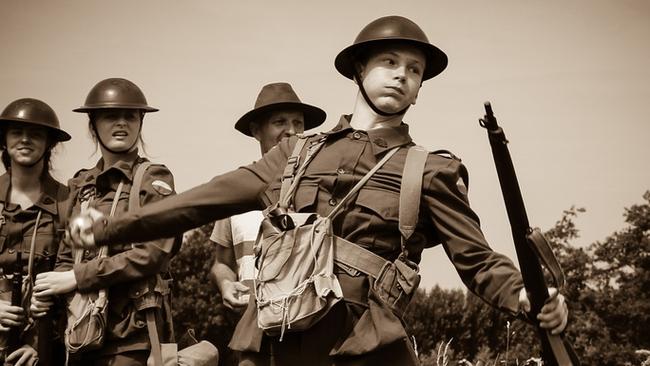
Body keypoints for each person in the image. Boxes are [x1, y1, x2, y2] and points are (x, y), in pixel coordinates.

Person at [67, 16, 569, 366]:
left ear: (420, 88)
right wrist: (111, 226)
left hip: (365, 348)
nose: (402, 75)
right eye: (390, 62)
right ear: (359, 70)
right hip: (271, 344)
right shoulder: (296, 152)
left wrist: (527, 294)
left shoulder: (429, 170)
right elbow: (201, 201)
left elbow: (478, 260)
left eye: (414, 70)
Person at [31, 78, 181, 365]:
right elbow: (67, 254)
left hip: (132, 338)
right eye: (111, 116)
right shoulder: (81, 184)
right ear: (93, 125)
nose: (121, 123)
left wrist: (77, 277)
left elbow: (154, 253)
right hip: (78, 333)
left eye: (130, 116)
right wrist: (49, 291)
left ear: (140, 123)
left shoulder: (152, 179)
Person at [209, 82, 326, 312]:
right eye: (279, 122)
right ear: (256, 131)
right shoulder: (236, 190)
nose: (291, 131)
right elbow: (222, 263)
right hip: (251, 323)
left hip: (312, 324)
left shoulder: (322, 186)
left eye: (297, 123)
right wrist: (225, 284)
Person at [0, 98, 71, 366]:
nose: (25, 140)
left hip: (41, 345)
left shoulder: (68, 201)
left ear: (49, 143)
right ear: (4, 141)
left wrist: (40, 344)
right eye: (17, 132)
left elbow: (76, 278)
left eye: (36, 134)